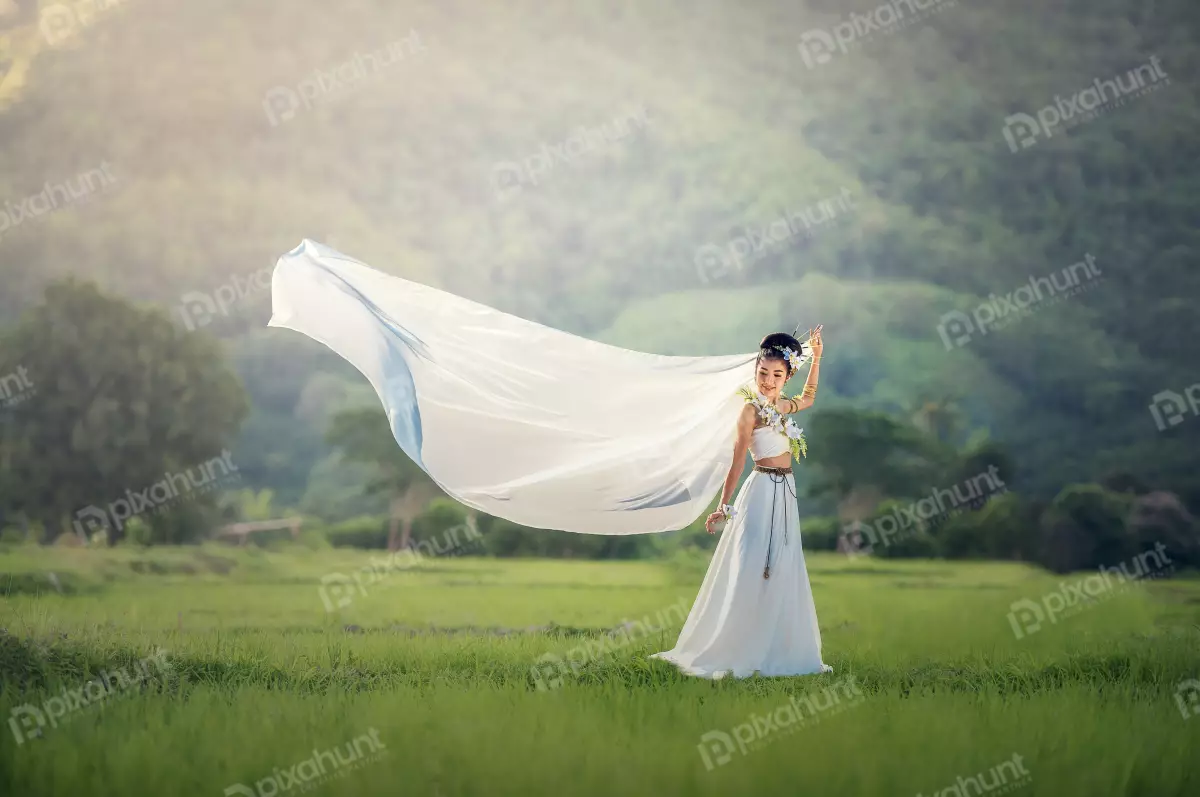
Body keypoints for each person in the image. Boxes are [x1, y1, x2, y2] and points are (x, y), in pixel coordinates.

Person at [651, 328, 831, 679]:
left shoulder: (782, 405)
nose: (767, 381)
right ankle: (737, 646)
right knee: (752, 565)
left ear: (787, 375)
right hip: (761, 491)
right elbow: (737, 461)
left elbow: (809, 397)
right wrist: (724, 505)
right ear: (755, 371)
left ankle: (776, 648)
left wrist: (818, 358)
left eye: (777, 375)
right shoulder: (750, 412)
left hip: (786, 494)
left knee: (782, 564)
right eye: (763, 373)